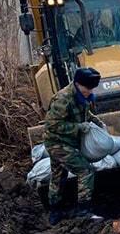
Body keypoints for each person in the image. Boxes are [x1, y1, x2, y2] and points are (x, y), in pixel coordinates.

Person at [44, 67, 106, 225]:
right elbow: (52, 125)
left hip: (68, 142)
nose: (89, 92)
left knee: (58, 176)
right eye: (87, 89)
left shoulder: (81, 96)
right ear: (78, 84)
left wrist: (97, 122)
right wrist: (78, 127)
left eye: (91, 89)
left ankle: (55, 210)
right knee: (86, 171)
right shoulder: (63, 99)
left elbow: (85, 113)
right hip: (57, 143)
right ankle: (84, 211)